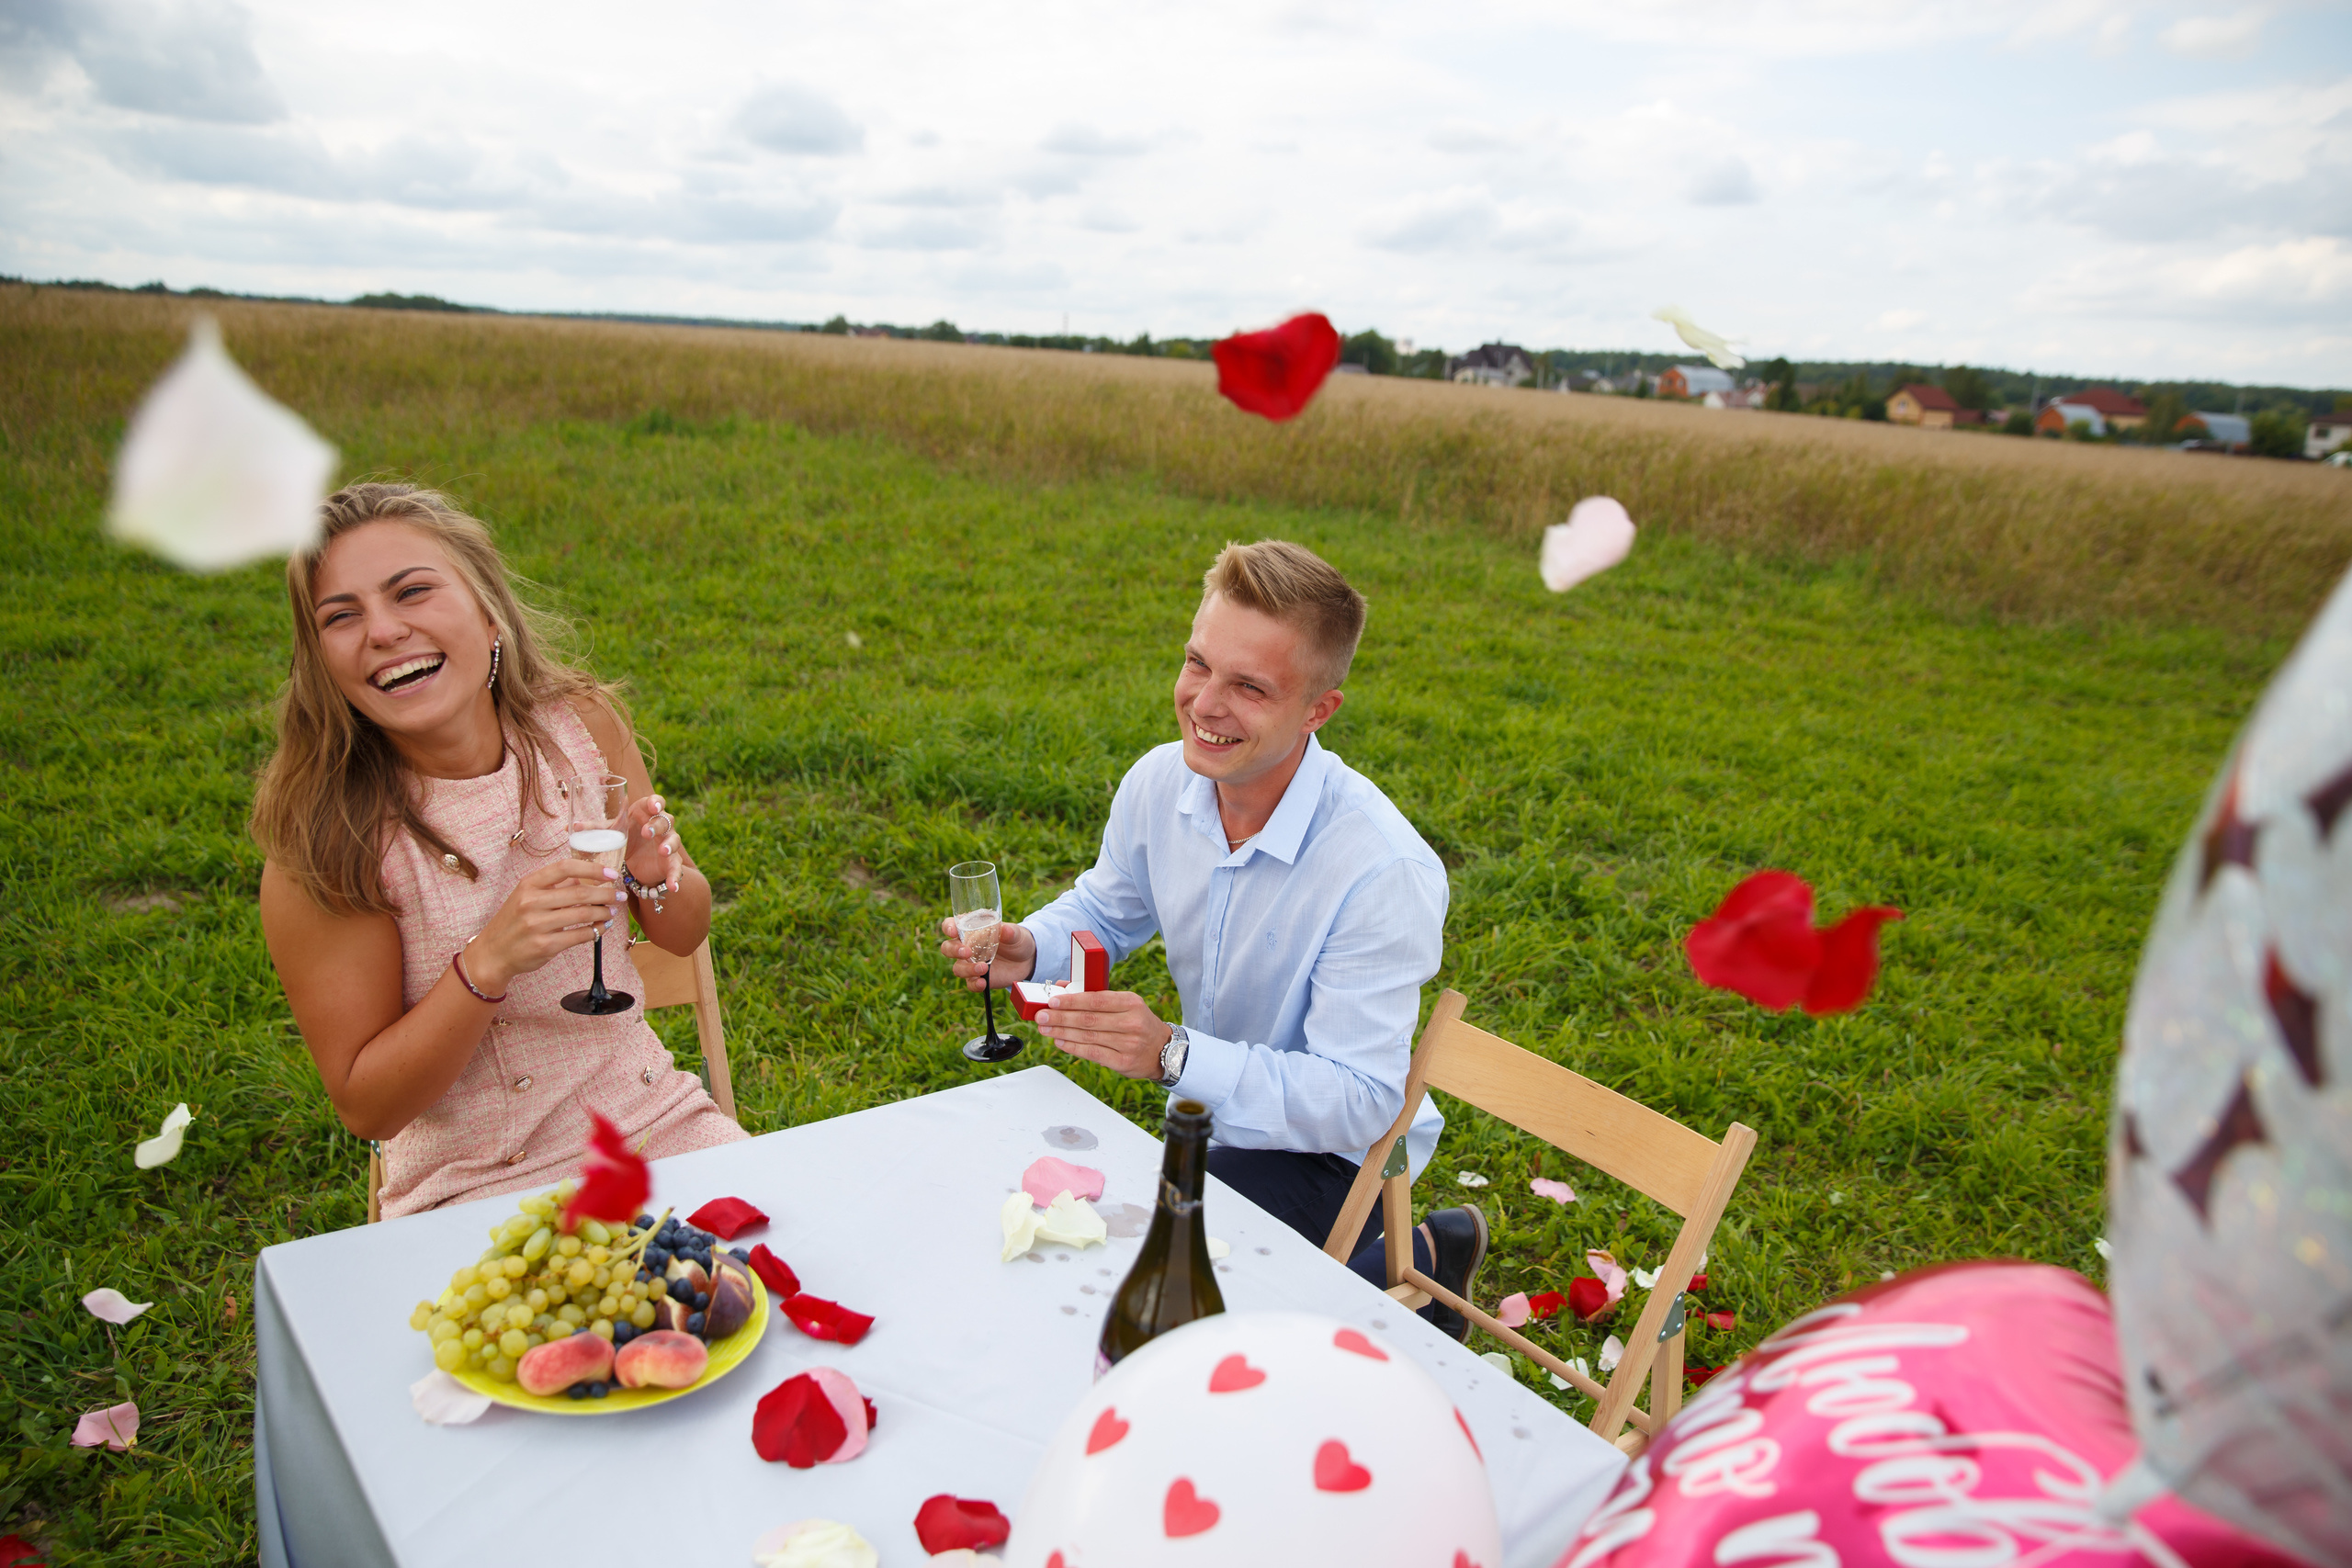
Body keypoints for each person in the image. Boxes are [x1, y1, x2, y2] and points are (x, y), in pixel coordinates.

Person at [938, 540, 1487, 1336]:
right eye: (1198, 663)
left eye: (1249, 687)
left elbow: (1362, 1104)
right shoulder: (1162, 782)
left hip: (1331, 1153)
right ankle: (1432, 1255)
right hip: (1212, 1119)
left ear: (1317, 710)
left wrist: (1172, 1055)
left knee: (1157, 1304)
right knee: (1095, 1265)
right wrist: (1037, 947)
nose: (1203, 704)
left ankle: (1415, 1264)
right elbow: (1109, 903)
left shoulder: (1383, 870)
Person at [254, 483, 743, 1218]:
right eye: (341, 616)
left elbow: (682, 929)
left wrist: (654, 877)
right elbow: (368, 1108)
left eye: (411, 591)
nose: (383, 631)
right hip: (472, 1188)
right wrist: (490, 959)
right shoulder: (327, 840)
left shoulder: (580, 729)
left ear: (489, 615)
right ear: (322, 659)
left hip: (657, 1127)